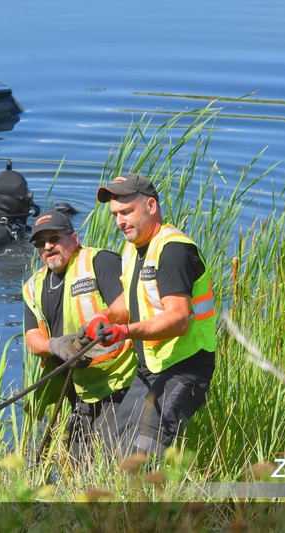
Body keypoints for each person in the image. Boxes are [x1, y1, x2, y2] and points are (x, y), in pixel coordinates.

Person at [85, 173, 216, 459]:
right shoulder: (132, 250)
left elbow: (179, 319)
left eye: (126, 212)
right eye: (115, 215)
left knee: (142, 452)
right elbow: (129, 303)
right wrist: (106, 317)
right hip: (152, 366)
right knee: (116, 447)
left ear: (151, 206)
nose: (120, 221)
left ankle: (154, 502)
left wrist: (126, 332)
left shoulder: (174, 251)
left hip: (185, 366)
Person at [22, 210, 136, 459]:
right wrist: (56, 346)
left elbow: (127, 307)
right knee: (79, 465)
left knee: (114, 460)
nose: (48, 246)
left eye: (55, 238)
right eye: (41, 243)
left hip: (118, 382)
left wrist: (100, 323)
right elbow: (32, 339)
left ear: (74, 238)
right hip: (75, 388)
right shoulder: (33, 285)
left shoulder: (100, 262)